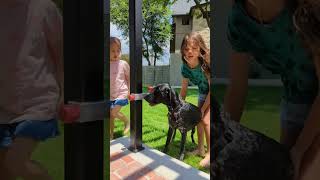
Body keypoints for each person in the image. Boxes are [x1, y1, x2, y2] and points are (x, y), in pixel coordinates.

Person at [224, 0, 320, 179]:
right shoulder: (239, 20)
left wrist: (300, 149)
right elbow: (237, 89)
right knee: (284, 172)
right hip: (295, 100)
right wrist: (222, 140)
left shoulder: (306, 7)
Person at [0, 0, 63, 179]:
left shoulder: (44, 8)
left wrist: (64, 90)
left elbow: (61, 54)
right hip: (3, 105)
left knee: (16, 162)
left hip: (38, 103)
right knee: (3, 168)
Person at [179, 32, 210, 168]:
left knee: (205, 120)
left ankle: (210, 154)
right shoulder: (185, 67)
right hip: (203, 93)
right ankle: (200, 149)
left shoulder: (206, 64)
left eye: (194, 48)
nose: (190, 51)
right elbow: (184, 89)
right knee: (198, 120)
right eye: (186, 48)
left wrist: (202, 109)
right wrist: (178, 107)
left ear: (200, 49)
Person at [109, 37, 130, 140]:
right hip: (110, 95)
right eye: (112, 51)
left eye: (118, 50)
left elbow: (129, 78)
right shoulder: (106, 64)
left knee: (113, 113)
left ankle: (126, 122)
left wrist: (129, 91)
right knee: (111, 115)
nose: (115, 53)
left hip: (122, 93)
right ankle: (111, 134)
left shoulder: (123, 64)